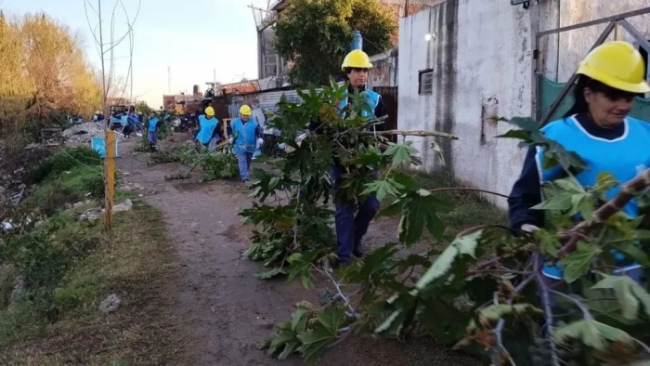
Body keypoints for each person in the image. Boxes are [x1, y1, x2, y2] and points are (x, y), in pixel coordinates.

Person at [508, 41, 650, 285]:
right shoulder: (552, 139)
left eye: (629, 97)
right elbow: (524, 199)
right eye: (613, 97)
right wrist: (529, 230)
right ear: (588, 94)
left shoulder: (646, 136)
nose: (623, 106)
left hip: (628, 269)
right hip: (565, 270)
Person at [330, 49, 388, 266]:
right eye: (357, 70)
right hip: (341, 163)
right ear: (348, 72)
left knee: (371, 205)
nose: (361, 74)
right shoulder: (335, 99)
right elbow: (317, 126)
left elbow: (383, 131)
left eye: (364, 70)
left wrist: (380, 151)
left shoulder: (375, 100)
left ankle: (355, 239)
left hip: (367, 163)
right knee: (344, 209)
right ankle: (343, 255)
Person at [230, 104, 262, 182]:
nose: (246, 117)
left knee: (247, 160)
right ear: (240, 114)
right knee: (242, 160)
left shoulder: (254, 123)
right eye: (244, 115)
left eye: (247, 115)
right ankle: (244, 177)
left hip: (250, 146)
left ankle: (244, 171)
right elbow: (229, 130)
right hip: (239, 146)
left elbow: (259, 131)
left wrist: (260, 138)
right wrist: (230, 137)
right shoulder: (235, 122)